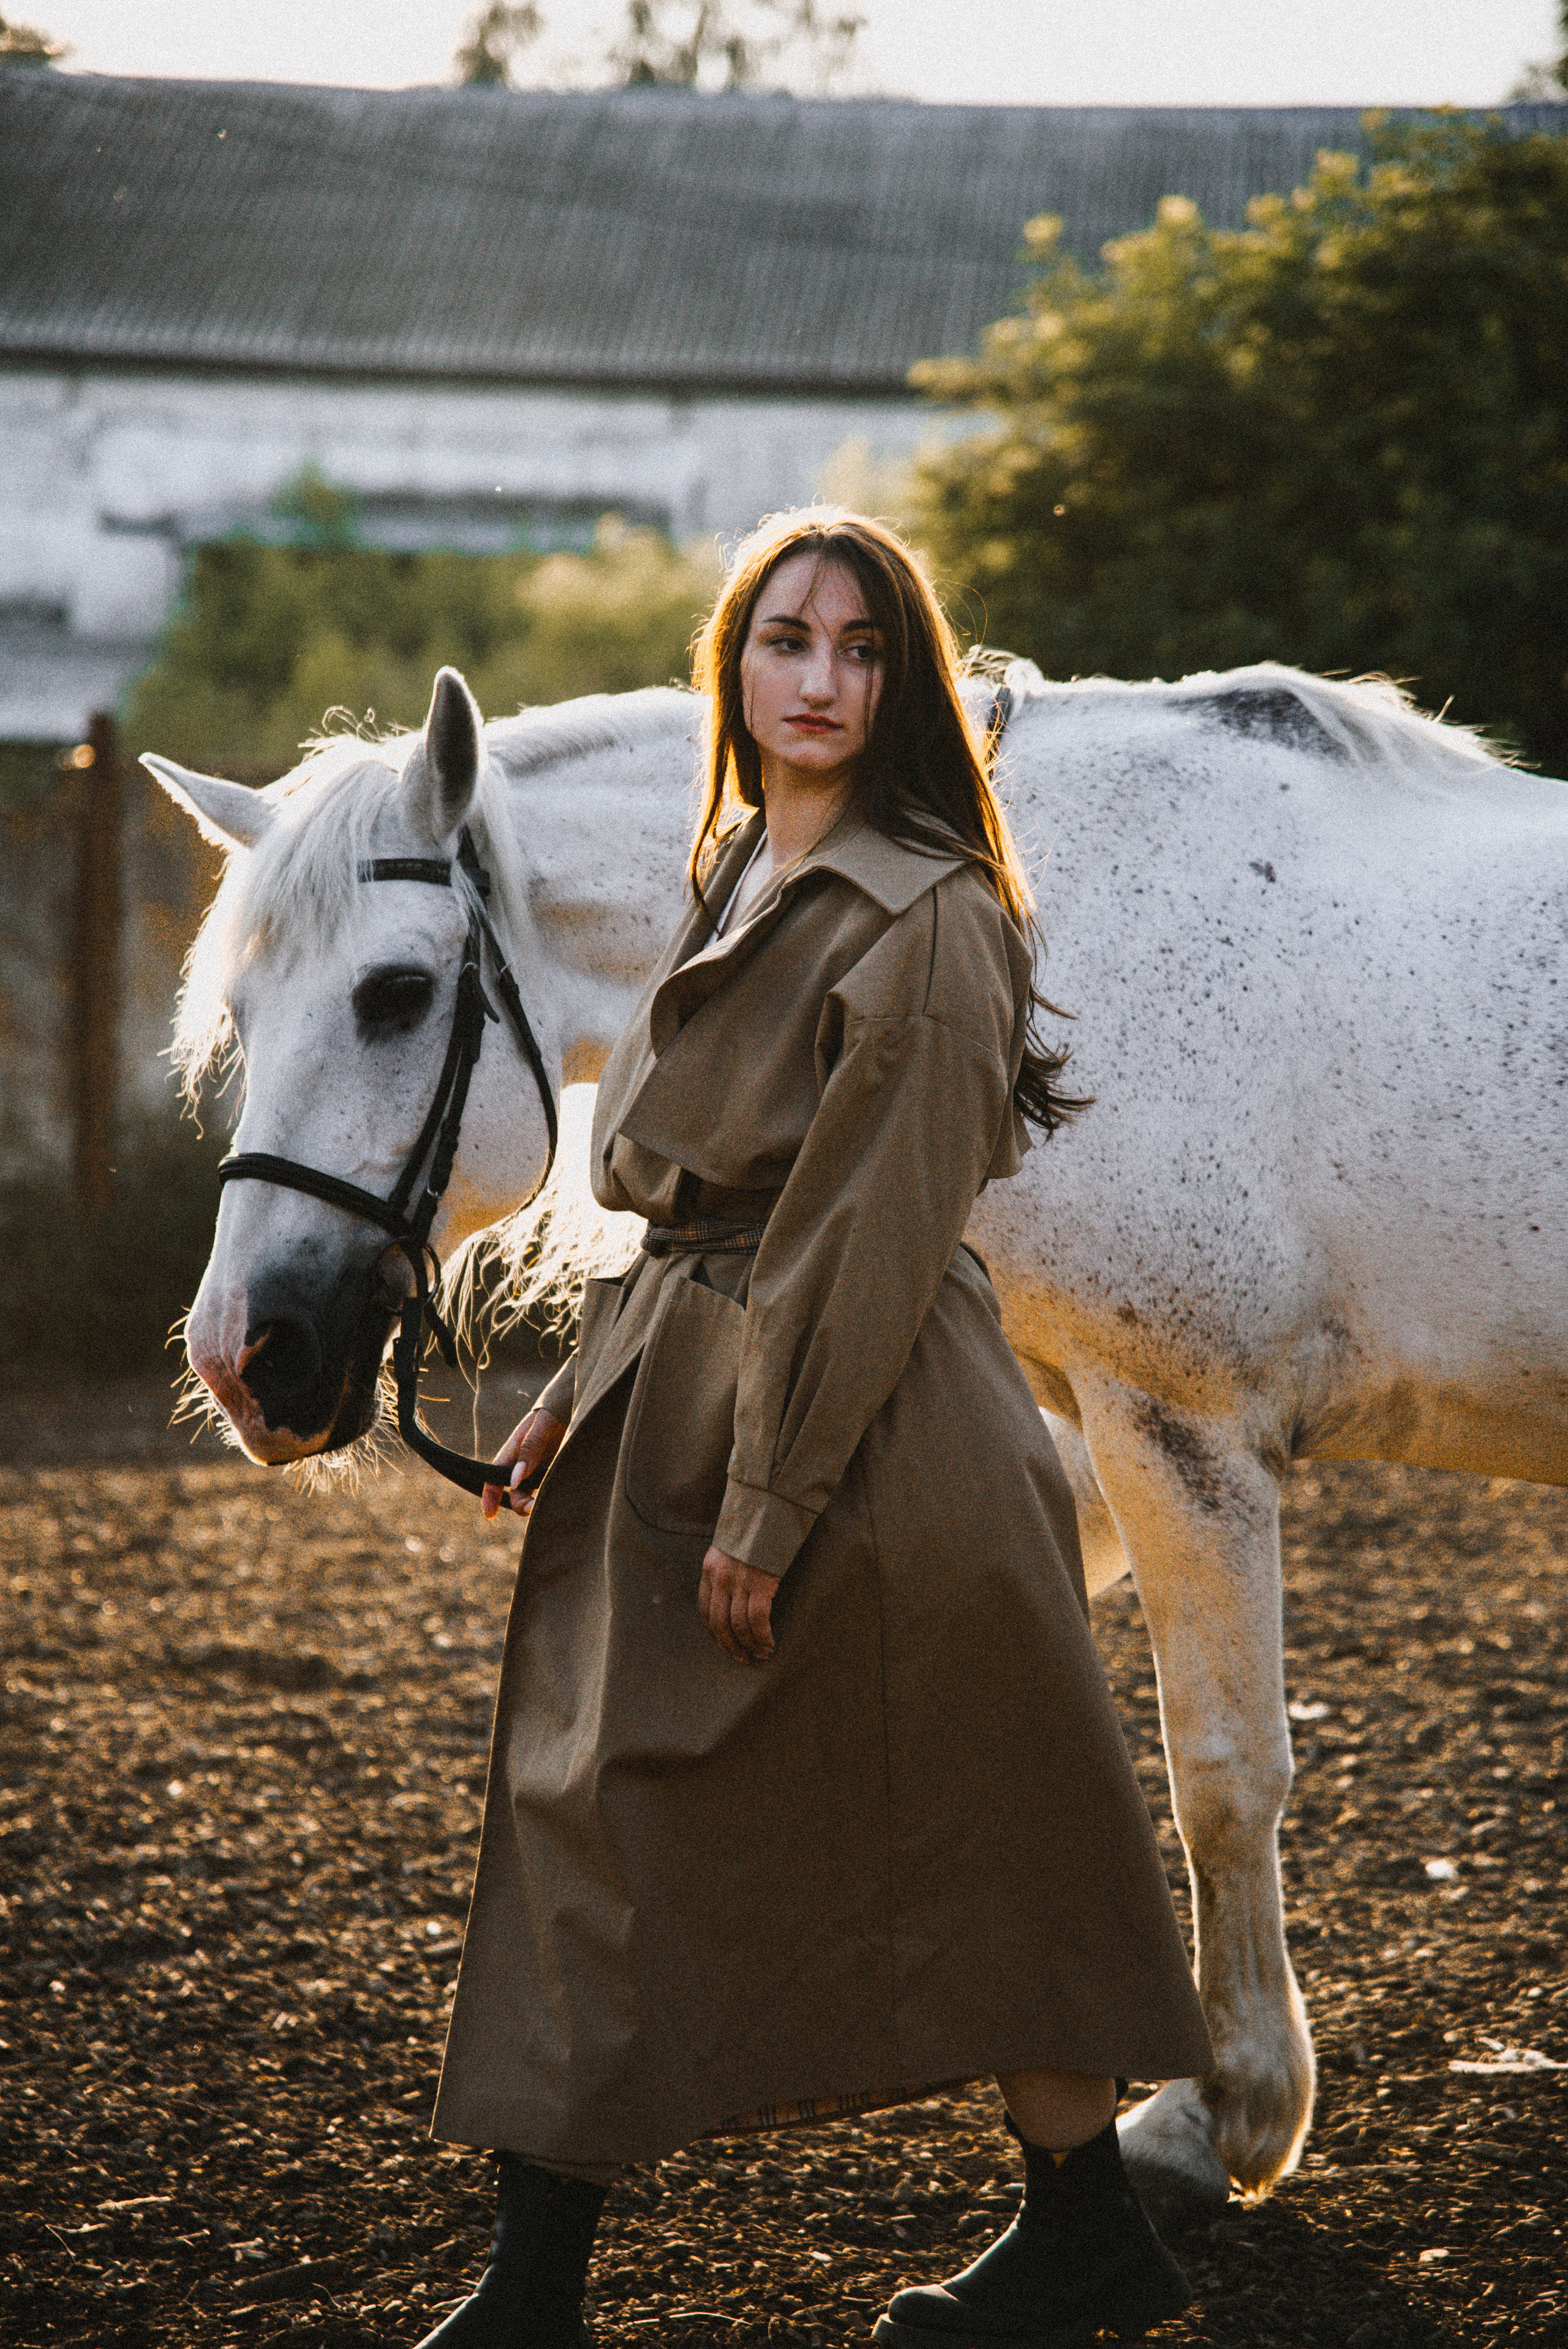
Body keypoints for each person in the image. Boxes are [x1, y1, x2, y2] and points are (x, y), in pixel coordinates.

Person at [415, 510, 1212, 2349]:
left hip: (869, 1440)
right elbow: (688, 1203)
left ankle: (539, 2286)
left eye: (864, 650)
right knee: (652, 1807)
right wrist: (564, 1396)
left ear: (905, 683)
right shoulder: (739, 870)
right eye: (790, 641)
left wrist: (767, 1511)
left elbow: (865, 1238)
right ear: (736, 662)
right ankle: (1084, 2227)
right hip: (697, 1375)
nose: (824, 681)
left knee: (845, 1821)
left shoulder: (929, 917)